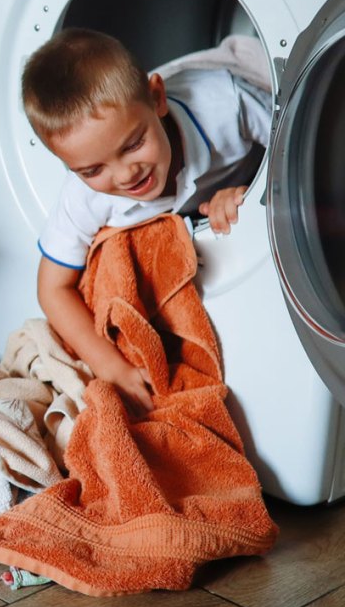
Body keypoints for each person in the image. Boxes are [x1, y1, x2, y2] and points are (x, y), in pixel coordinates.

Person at [21, 28, 271, 415]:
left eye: (134, 144)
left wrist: (252, 189)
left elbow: (303, 151)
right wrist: (109, 364)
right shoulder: (85, 196)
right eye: (92, 169)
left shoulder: (225, 103)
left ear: (157, 99)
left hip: (245, 107)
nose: (125, 176)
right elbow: (52, 288)